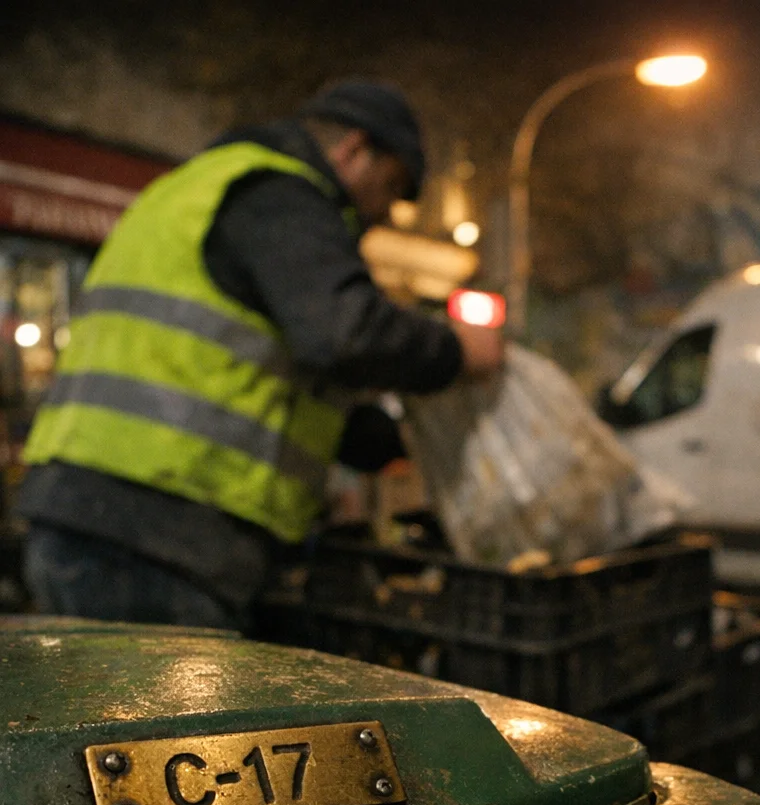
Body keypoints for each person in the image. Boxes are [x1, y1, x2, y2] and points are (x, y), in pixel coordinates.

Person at [16, 77, 504, 631]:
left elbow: (253, 382)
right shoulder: (277, 195)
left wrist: (392, 439)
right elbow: (343, 332)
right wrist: (457, 350)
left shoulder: (207, 189)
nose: (387, 212)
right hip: (155, 532)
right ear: (354, 149)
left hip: (110, 519)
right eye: (390, 186)